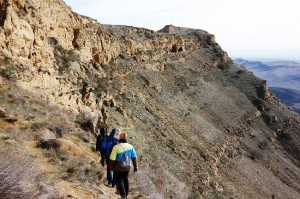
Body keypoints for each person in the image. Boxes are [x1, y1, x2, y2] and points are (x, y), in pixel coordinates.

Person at [110, 132, 138, 199]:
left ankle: (123, 195)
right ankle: (126, 195)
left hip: (118, 167)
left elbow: (112, 158)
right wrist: (135, 166)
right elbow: (134, 157)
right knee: (126, 179)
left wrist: (112, 167)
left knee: (120, 180)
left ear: (120, 138)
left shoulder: (116, 147)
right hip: (127, 167)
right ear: (126, 138)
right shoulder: (130, 146)